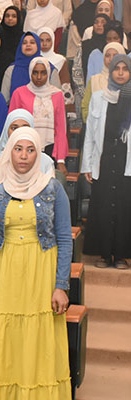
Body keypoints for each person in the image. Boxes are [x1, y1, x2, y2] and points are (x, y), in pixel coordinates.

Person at [0, 126, 72, 399]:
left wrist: (61, 286)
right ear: (9, 151)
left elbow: (65, 239)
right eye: (18, 149)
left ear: (38, 154)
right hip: (2, 274)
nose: (24, 156)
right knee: (4, 338)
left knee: (39, 339)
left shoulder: (53, 189)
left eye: (30, 150)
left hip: (41, 274)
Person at [81, 55, 131, 269]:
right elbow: (90, 135)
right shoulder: (99, 97)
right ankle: (103, 254)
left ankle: (120, 255)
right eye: (116, 68)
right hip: (103, 159)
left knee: (124, 207)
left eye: (125, 69)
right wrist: (87, 165)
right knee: (102, 206)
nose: (120, 73)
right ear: (110, 71)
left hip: (126, 160)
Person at [0, 108, 56, 201]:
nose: (19, 132)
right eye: (14, 128)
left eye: (25, 128)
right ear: (6, 131)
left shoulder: (45, 162)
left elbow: (49, 199)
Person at [9, 57, 69, 173]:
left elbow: (61, 128)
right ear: (30, 73)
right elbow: (12, 126)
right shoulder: (19, 93)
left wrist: (61, 160)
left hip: (49, 148)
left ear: (49, 73)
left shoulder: (57, 94)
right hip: (24, 148)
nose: (39, 77)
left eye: (43, 73)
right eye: (35, 72)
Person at [1, 32, 61, 103]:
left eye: (32, 42)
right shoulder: (11, 70)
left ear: (38, 45)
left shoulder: (49, 69)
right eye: (24, 43)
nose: (28, 45)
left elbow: (57, 99)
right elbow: (4, 100)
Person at [81, 42, 126, 122]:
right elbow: (85, 105)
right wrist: (92, 121)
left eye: (115, 55)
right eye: (107, 55)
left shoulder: (127, 81)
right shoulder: (94, 80)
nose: (111, 59)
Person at [38, 28, 76, 115]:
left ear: (53, 41)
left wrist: (68, 107)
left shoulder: (60, 60)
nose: (44, 44)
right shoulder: (33, 60)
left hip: (55, 101)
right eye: (41, 40)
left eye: (48, 40)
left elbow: (65, 84)